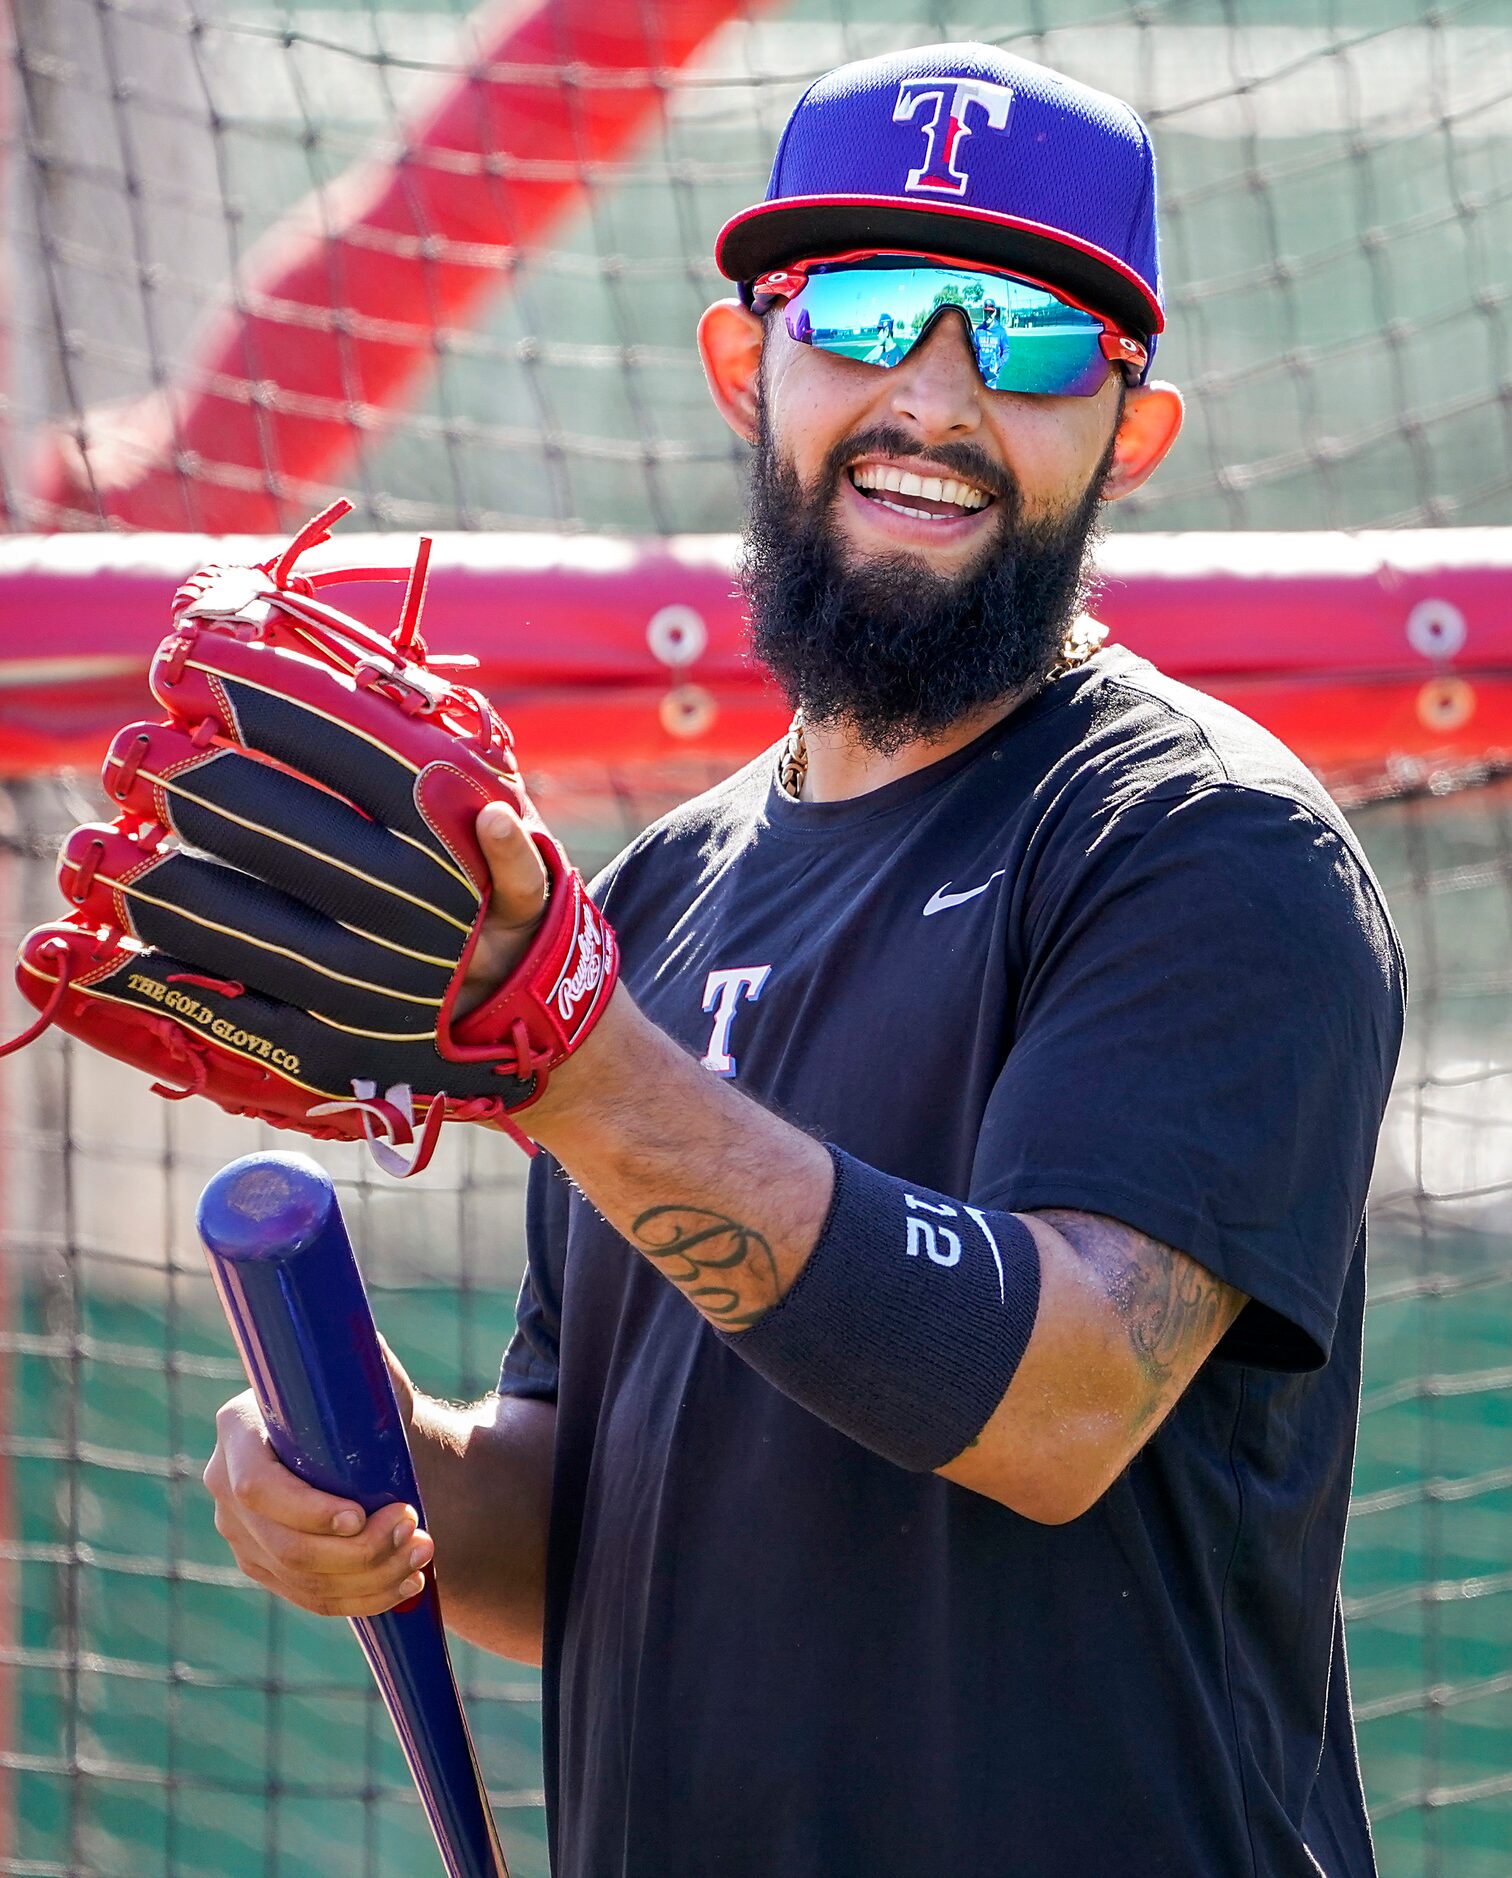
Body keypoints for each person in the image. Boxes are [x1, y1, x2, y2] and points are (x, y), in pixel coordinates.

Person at [204, 43, 1404, 1878]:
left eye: (1022, 340)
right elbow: (574, 1519)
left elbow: (1061, 1400)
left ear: (1129, 429)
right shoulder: (651, 900)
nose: (929, 399)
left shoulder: (1202, 842)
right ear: (740, 363)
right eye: (856, 312)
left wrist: (583, 1070)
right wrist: (380, 1471)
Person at [972, 294, 1012, 386]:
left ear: (995, 313)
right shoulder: (979, 330)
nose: (988, 315)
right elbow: (974, 350)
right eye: (986, 312)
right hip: (978, 375)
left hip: (991, 376)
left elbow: (1006, 351)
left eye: (990, 312)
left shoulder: (1001, 331)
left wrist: (998, 364)